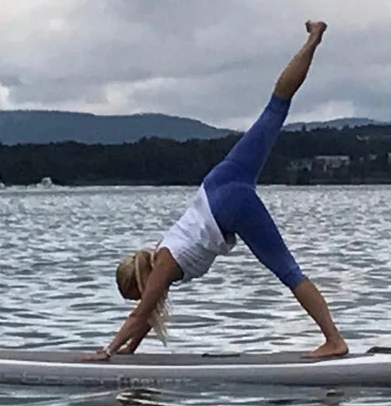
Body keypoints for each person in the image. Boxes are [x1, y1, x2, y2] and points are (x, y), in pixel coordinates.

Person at [85, 20, 348, 361]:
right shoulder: (162, 256)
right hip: (221, 180)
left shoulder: (163, 263)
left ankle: (334, 340)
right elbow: (145, 319)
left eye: (136, 296)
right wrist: (126, 353)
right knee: (276, 106)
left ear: (138, 284)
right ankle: (314, 37)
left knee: (288, 270)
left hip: (228, 206)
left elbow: (140, 316)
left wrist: (105, 353)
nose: (141, 301)